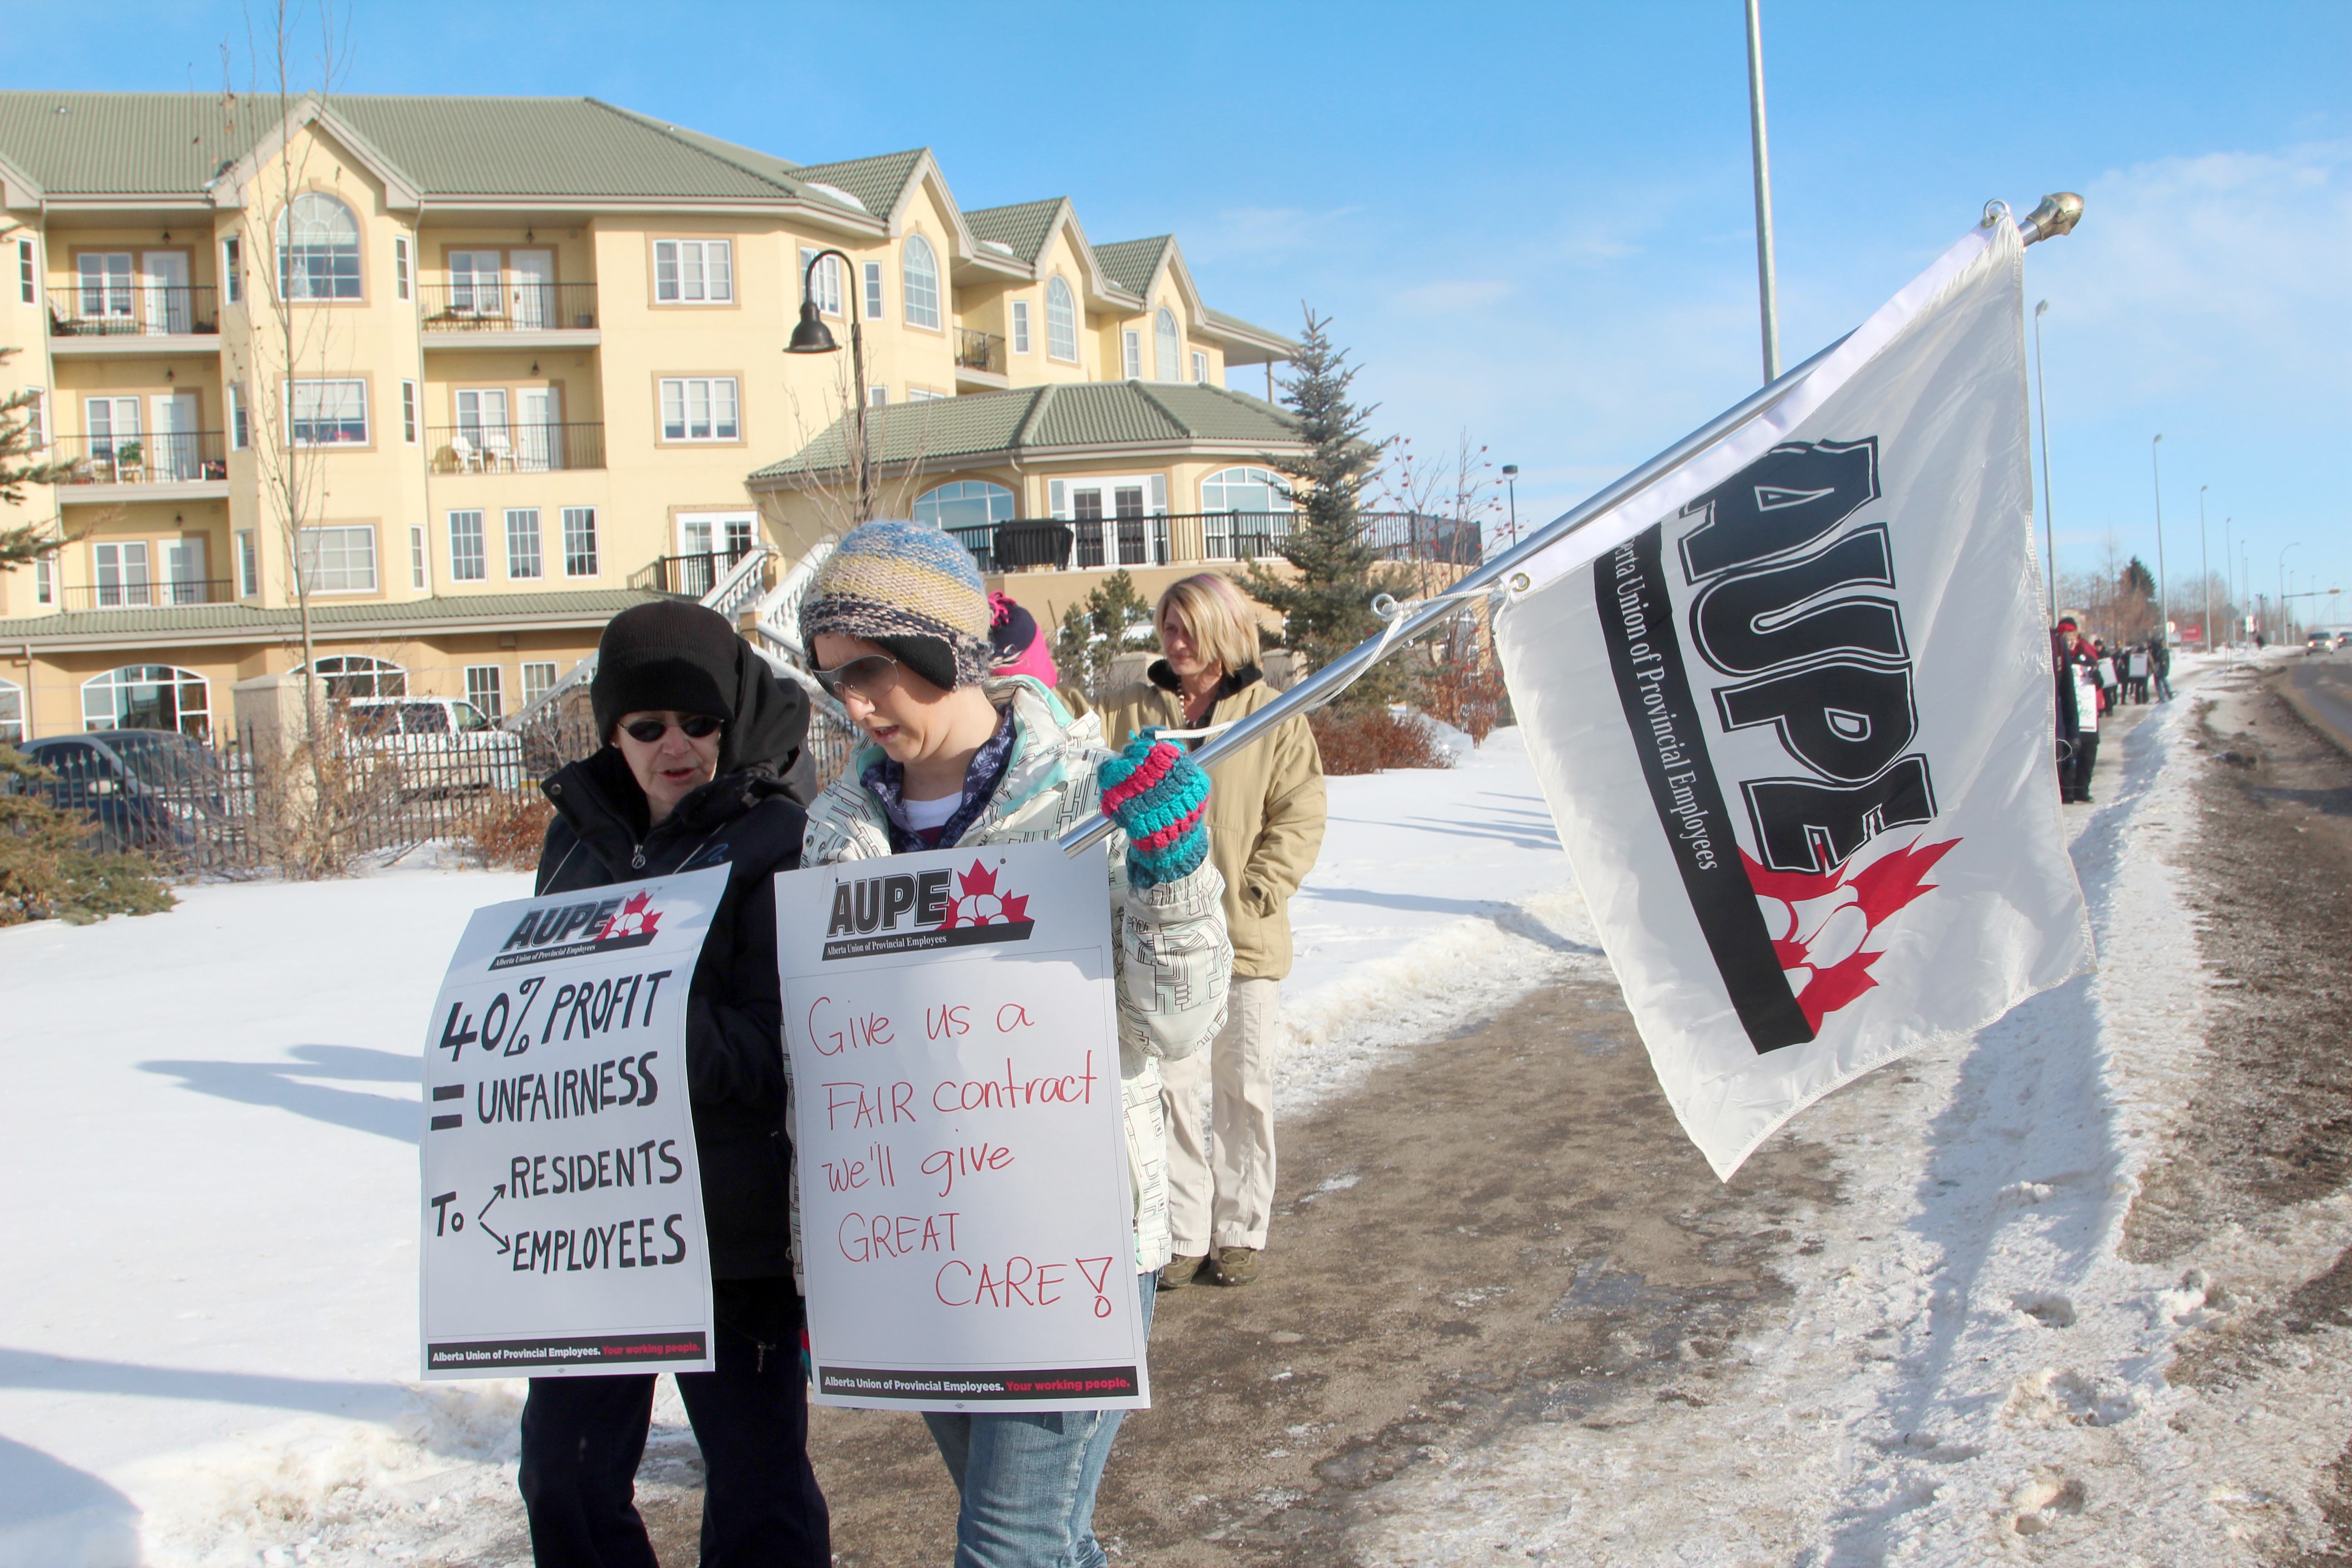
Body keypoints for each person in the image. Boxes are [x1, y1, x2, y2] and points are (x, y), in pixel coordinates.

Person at [794, 520, 1231, 1568]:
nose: (853, 705)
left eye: (871, 670)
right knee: (1049, 1538)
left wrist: (1170, 869)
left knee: (1007, 1541)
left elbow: (1175, 1024)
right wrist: (827, 1255)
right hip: (920, 1245)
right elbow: (819, 1055)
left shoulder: (1082, 794)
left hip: (1065, 1239)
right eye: (832, 679)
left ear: (942, 647)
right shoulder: (841, 824)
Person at [518, 599, 831, 1568]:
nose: (678, 746)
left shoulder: (778, 837)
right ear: (613, 732)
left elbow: (783, 1046)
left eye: (699, 723)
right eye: (648, 727)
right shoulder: (576, 836)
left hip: (732, 1230)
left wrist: (637, 1016)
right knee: (561, 1476)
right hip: (598, 1220)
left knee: (756, 1485)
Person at [1099, 573, 1326, 1291]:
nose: (1174, 640)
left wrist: (1259, 890)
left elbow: (1301, 809)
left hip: (1246, 933)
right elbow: (1086, 766)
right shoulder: (1136, 707)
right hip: (1165, 936)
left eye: (1188, 626)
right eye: (1166, 625)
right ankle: (1185, 1230)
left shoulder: (1274, 713)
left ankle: (1239, 1229)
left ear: (1223, 629)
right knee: (1169, 1086)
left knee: (1242, 1086)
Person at [2151, 635, 2175, 701]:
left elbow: (2161, 658)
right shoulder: (2156, 650)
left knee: (2164, 682)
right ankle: (2162, 697)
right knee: (2159, 684)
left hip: (2162, 669)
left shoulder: (2164, 651)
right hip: (2158, 668)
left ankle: (2170, 695)